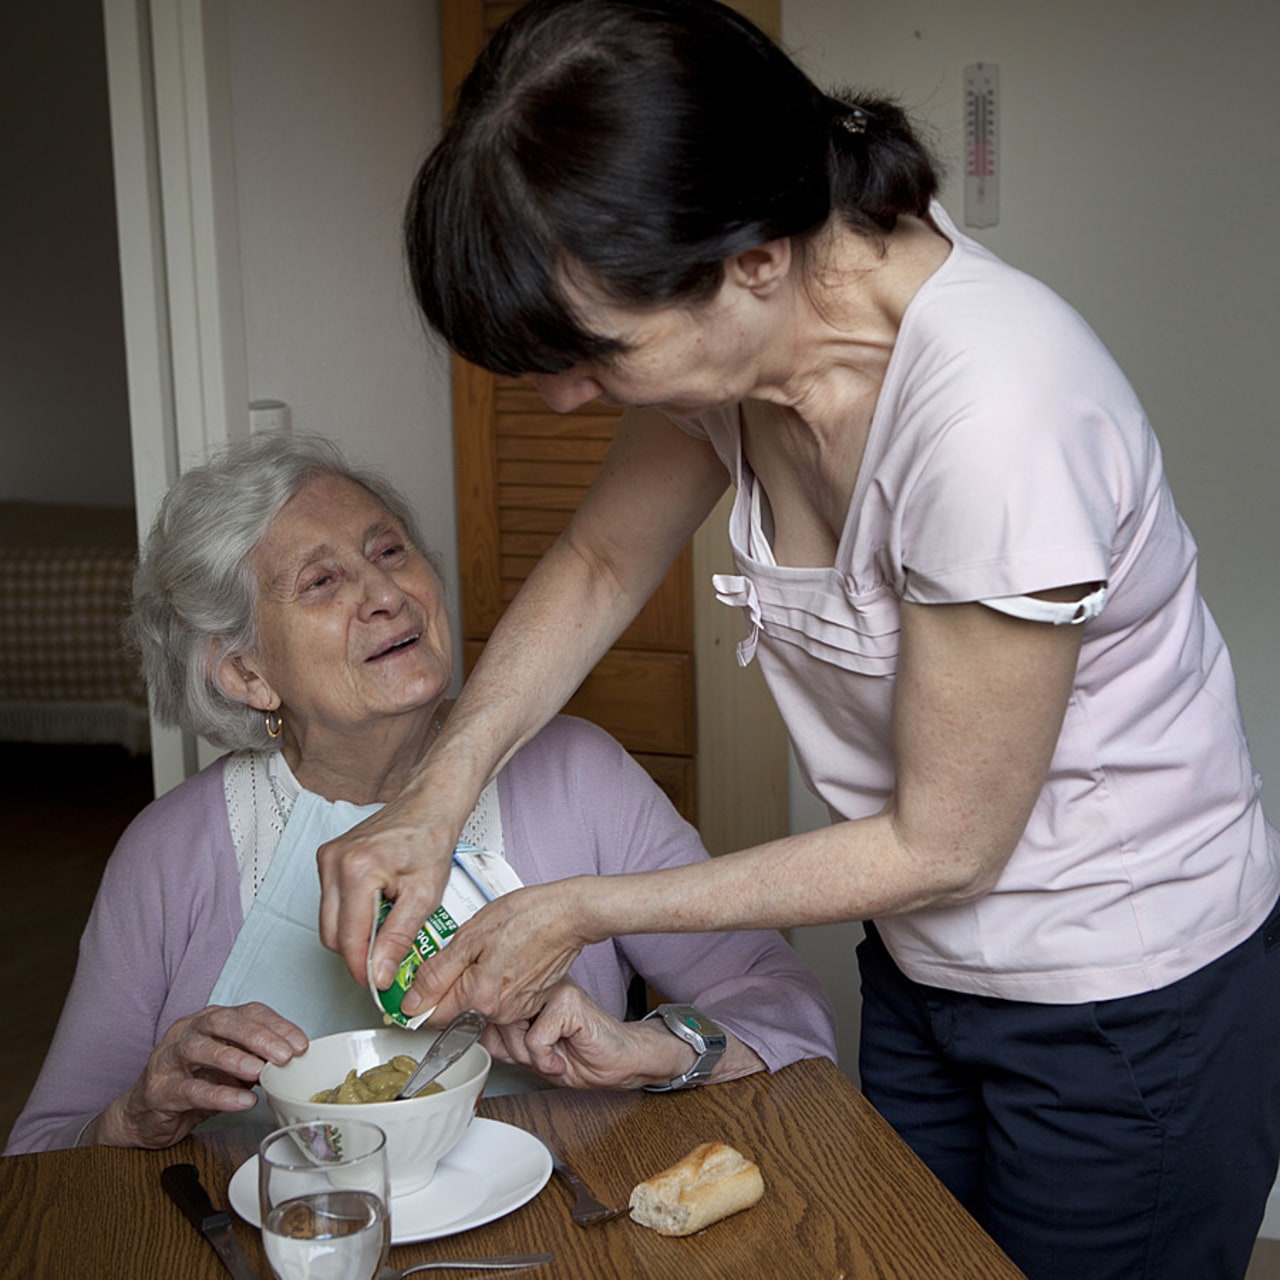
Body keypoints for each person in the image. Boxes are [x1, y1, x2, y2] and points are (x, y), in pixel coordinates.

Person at [312, 1, 1280, 1277]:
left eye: (594, 353)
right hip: (929, 967)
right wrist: (435, 797)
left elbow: (946, 840)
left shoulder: (996, 419)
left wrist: (585, 910)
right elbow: (602, 561)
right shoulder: (740, 357)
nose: (561, 397)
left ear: (754, 257)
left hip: (1120, 993)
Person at [3, 431, 835, 1157]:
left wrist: (654, 1048)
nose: (387, 594)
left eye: (391, 551)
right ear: (246, 673)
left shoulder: (577, 775)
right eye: (323, 582)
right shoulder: (170, 851)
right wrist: (133, 1116)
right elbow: (45, 1153)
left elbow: (786, 1010)